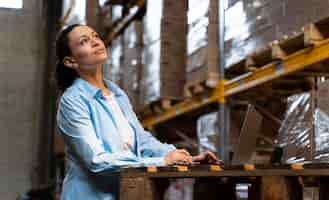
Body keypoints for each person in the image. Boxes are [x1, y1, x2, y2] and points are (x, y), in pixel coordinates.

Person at [55, 24, 220, 200]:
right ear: (71, 61)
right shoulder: (72, 101)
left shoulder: (116, 94)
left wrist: (185, 157)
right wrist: (163, 161)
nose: (95, 42)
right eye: (84, 41)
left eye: (95, 36)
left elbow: (142, 142)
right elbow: (97, 161)